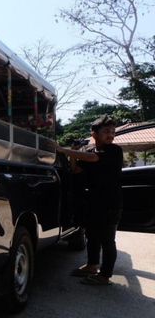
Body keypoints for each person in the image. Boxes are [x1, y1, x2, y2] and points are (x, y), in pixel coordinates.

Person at [51, 116, 123, 286]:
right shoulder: (89, 152)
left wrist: (62, 150)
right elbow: (74, 169)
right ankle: (92, 265)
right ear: (94, 134)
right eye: (106, 131)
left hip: (110, 203)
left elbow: (92, 159)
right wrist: (73, 151)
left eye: (112, 132)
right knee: (92, 235)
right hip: (93, 201)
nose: (110, 135)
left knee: (107, 239)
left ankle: (104, 276)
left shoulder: (114, 150)